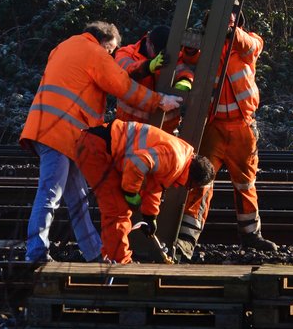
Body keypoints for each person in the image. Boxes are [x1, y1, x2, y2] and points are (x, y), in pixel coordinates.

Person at [20, 20, 183, 264]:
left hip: (58, 131)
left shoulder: (65, 46)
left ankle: (94, 254)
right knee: (50, 194)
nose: (112, 54)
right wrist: (159, 101)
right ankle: (35, 253)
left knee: (78, 200)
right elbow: (123, 86)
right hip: (60, 132)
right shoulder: (95, 53)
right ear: (105, 41)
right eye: (111, 49)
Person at [175, 4, 278, 259]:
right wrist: (190, 46)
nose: (228, 19)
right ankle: (187, 239)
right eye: (223, 16)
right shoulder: (207, 49)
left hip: (243, 126)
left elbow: (252, 45)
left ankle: (251, 236)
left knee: (245, 184)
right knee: (202, 181)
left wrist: (232, 33)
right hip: (214, 126)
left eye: (232, 16)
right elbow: (187, 58)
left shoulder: (247, 43)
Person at [75, 118, 215, 264]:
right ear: (191, 178)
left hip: (99, 146)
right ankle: (121, 262)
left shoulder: (181, 158)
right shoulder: (175, 159)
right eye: (189, 186)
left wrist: (150, 215)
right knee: (118, 210)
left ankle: (112, 257)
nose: (185, 188)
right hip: (96, 149)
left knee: (118, 209)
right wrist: (131, 193)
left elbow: (154, 184)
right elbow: (137, 163)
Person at [114, 24, 192, 132]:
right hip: (130, 128)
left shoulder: (172, 54)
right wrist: (148, 67)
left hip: (163, 130)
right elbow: (125, 71)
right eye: (157, 51)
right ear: (148, 42)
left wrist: (185, 82)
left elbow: (184, 71)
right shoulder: (126, 53)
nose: (157, 55)